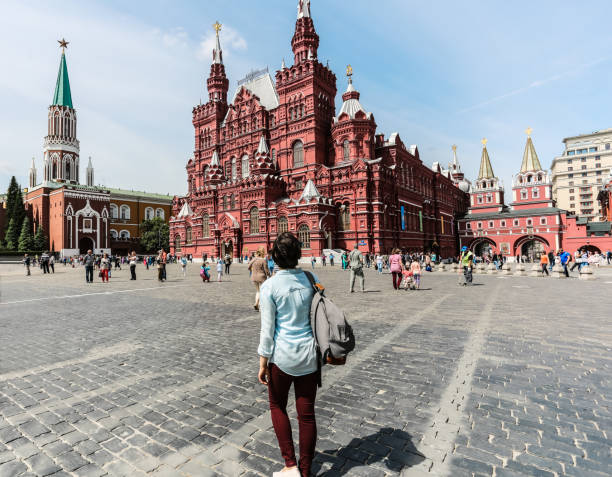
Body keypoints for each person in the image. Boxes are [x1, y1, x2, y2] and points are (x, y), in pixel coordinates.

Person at [257, 232, 319, 477]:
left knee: (277, 405)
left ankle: (290, 465)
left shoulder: (269, 286)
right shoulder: (310, 277)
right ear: (298, 255)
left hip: (281, 358)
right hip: (309, 355)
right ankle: (305, 471)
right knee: (307, 415)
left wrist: (263, 363)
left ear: (274, 257)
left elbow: (267, 330)